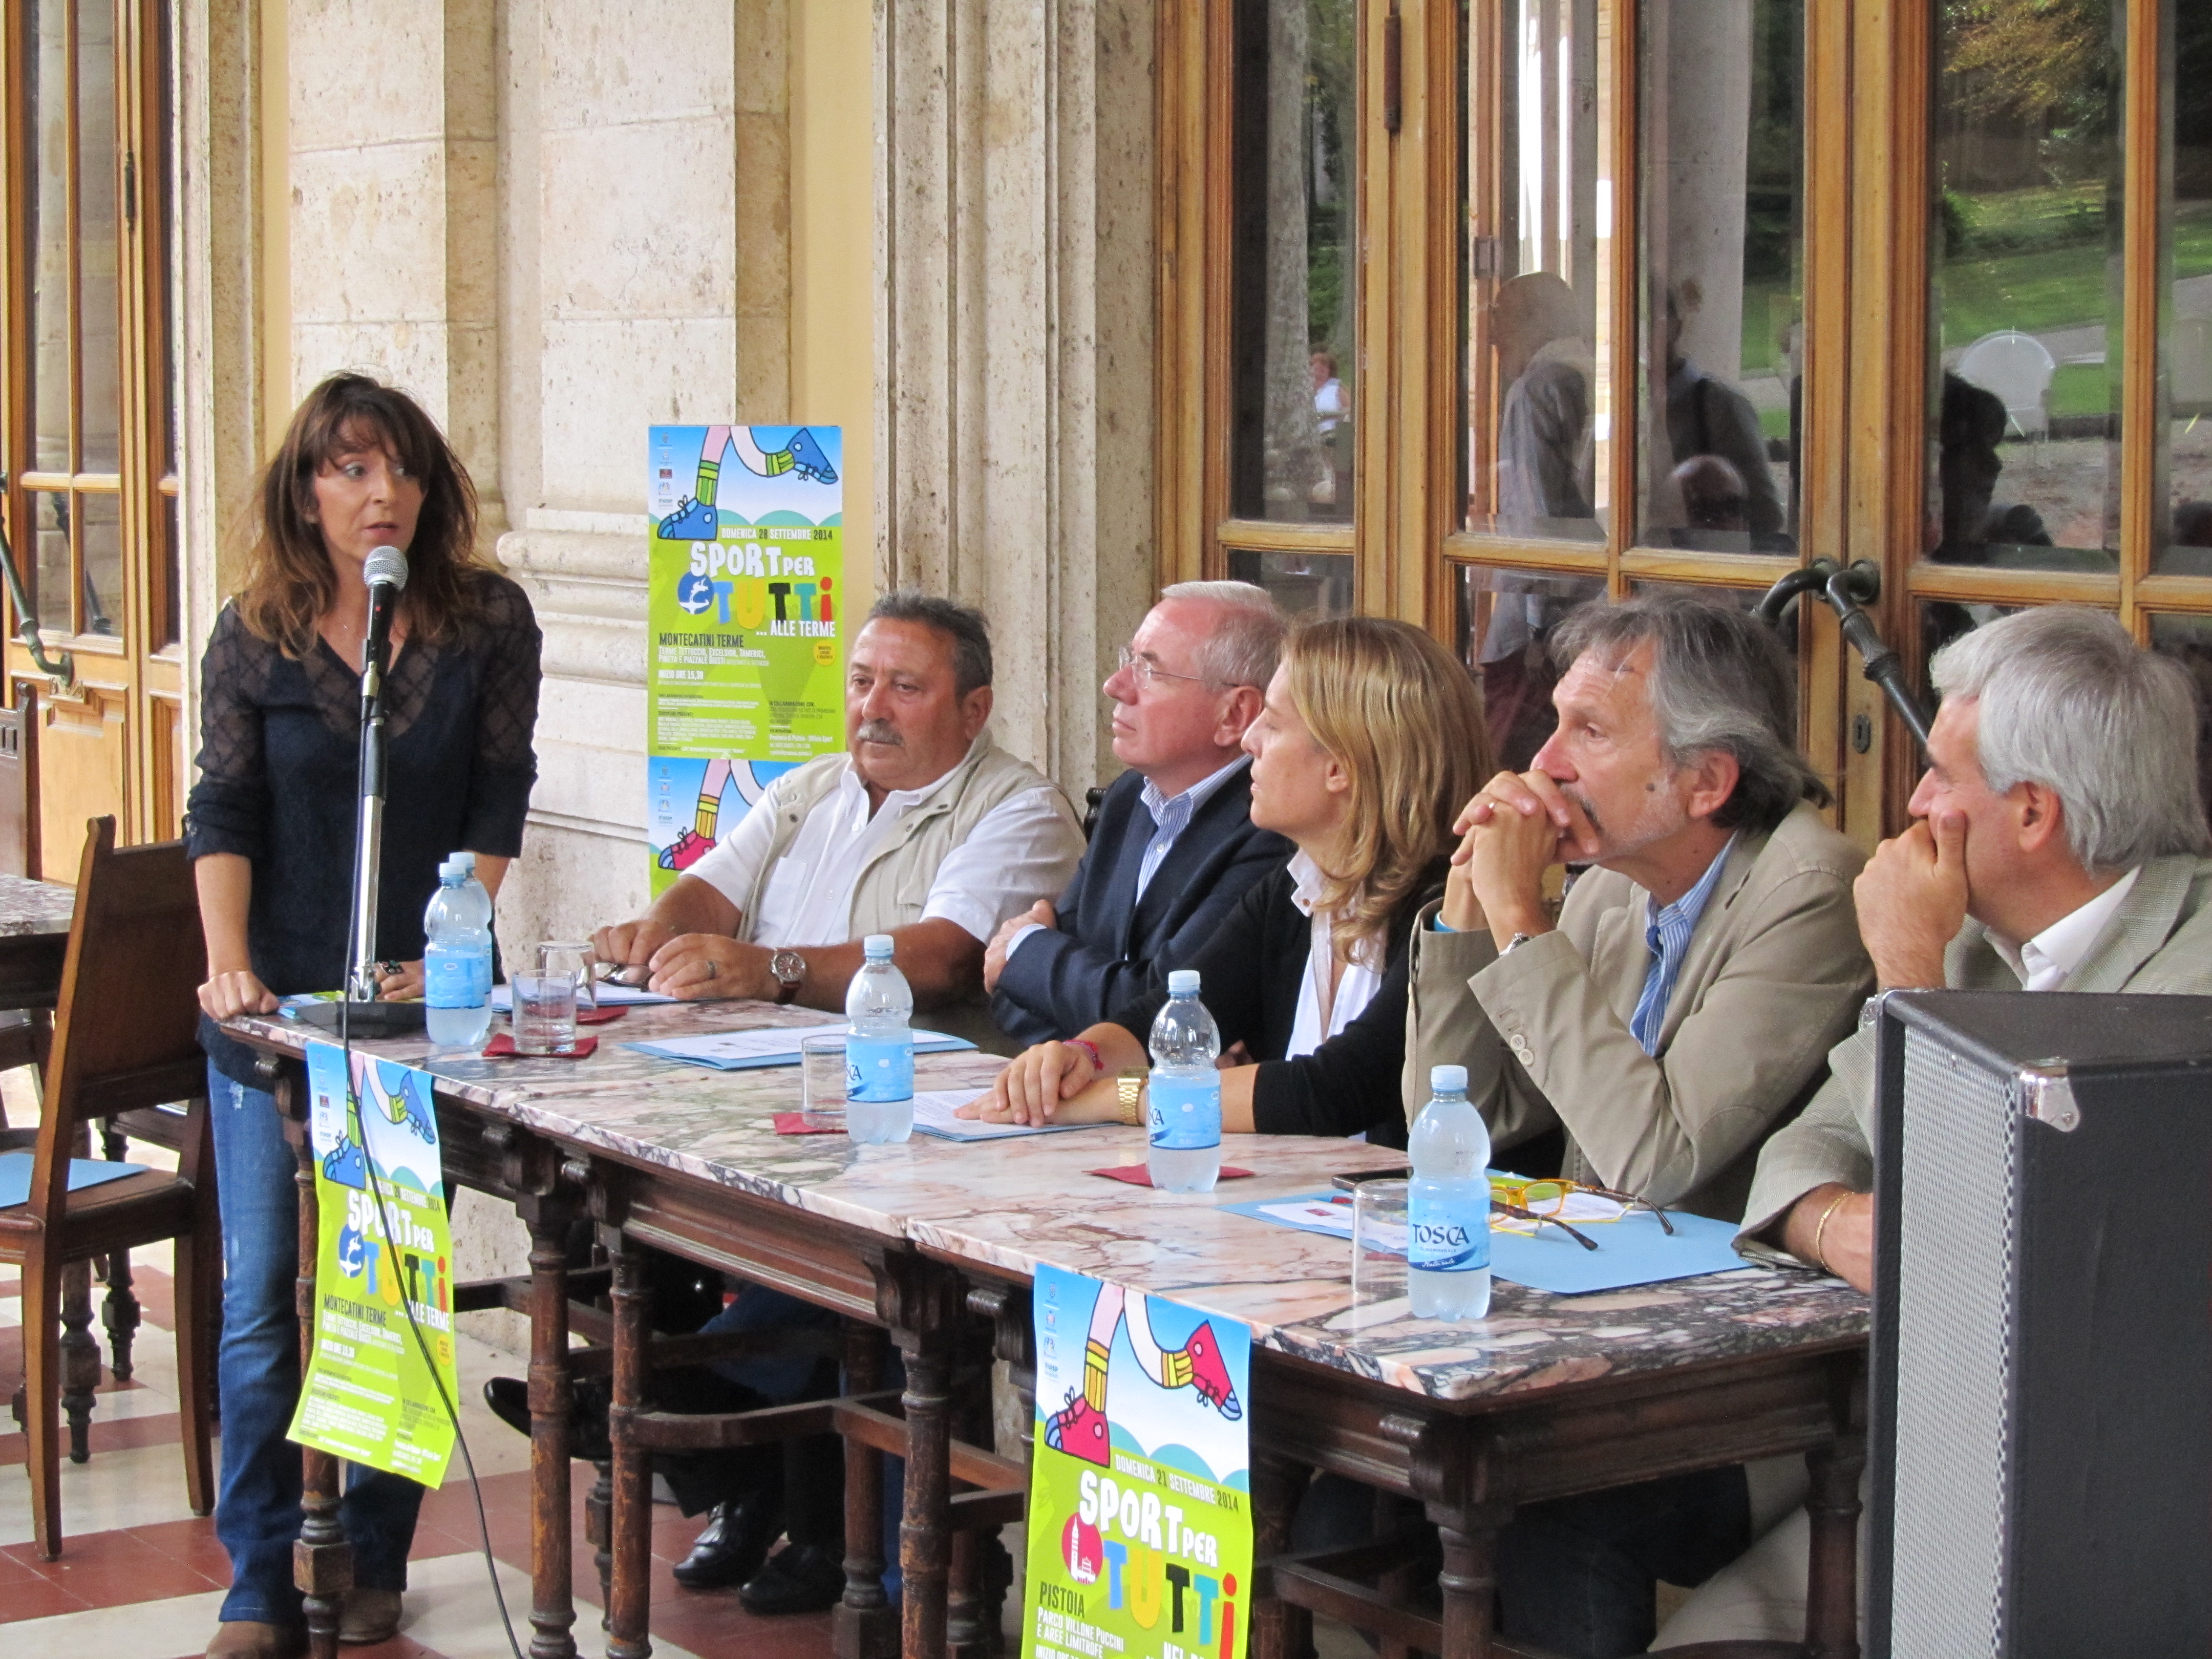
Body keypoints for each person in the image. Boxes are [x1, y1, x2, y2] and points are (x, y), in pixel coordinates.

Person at [1654, 605, 2212, 1649]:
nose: (1912, 805)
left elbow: (2019, 1257)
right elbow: (1801, 1152)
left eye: (1941, 776)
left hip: (2111, 1511)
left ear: (2033, 812)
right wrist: (1839, 1225)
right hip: (1915, 1457)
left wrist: (1910, 983)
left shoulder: (2188, 987)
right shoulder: (1973, 936)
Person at [1399, 591, 1871, 1659]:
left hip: (1749, 1391)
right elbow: (1455, 1116)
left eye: (1591, 732)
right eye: (1554, 723)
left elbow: (1655, 1161)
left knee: (1549, 1512)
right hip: (1587, 1334)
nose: (1544, 762)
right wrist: (1470, 908)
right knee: (1354, 1467)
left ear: (1707, 781)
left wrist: (1523, 920)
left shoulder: (1812, 888)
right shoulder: (1617, 884)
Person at [187, 374, 542, 1659]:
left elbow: (499, 795)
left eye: (398, 468)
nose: (378, 492)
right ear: (305, 493)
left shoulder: (485, 621)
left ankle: (375, 1553)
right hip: (274, 1015)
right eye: (348, 469)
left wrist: (449, 939)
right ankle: (259, 1578)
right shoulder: (254, 633)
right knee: (260, 1299)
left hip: (413, 1016)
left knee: (388, 1288)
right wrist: (229, 967)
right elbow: (223, 809)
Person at [964, 615, 1489, 1144]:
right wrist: (1080, 1058)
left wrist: (1117, 1099)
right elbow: (1170, 1011)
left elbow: (1335, 1089)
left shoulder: (1449, 907)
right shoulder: (1294, 889)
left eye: (1273, 725)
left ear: (1341, 767)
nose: (1251, 741)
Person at [591, 589, 1086, 1047]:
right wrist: (655, 938)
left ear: (974, 710)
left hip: (899, 1082)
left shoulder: (1021, 810)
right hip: (743, 1056)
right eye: (861, 682)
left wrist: (774, 972)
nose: (873, 708)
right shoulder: (807, 788)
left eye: (905, 688)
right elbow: (707, 894)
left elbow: (946, 960)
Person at [986, 581, 1291, 1045]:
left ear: (1233, 715)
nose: (1115, 686)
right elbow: (1014, 993)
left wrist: (1025, 948)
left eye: (1150, 670)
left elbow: (1166, 1011)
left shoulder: (1271, 826)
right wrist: (1081, 1052)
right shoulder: (1129, 797)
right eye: (1128, 660)